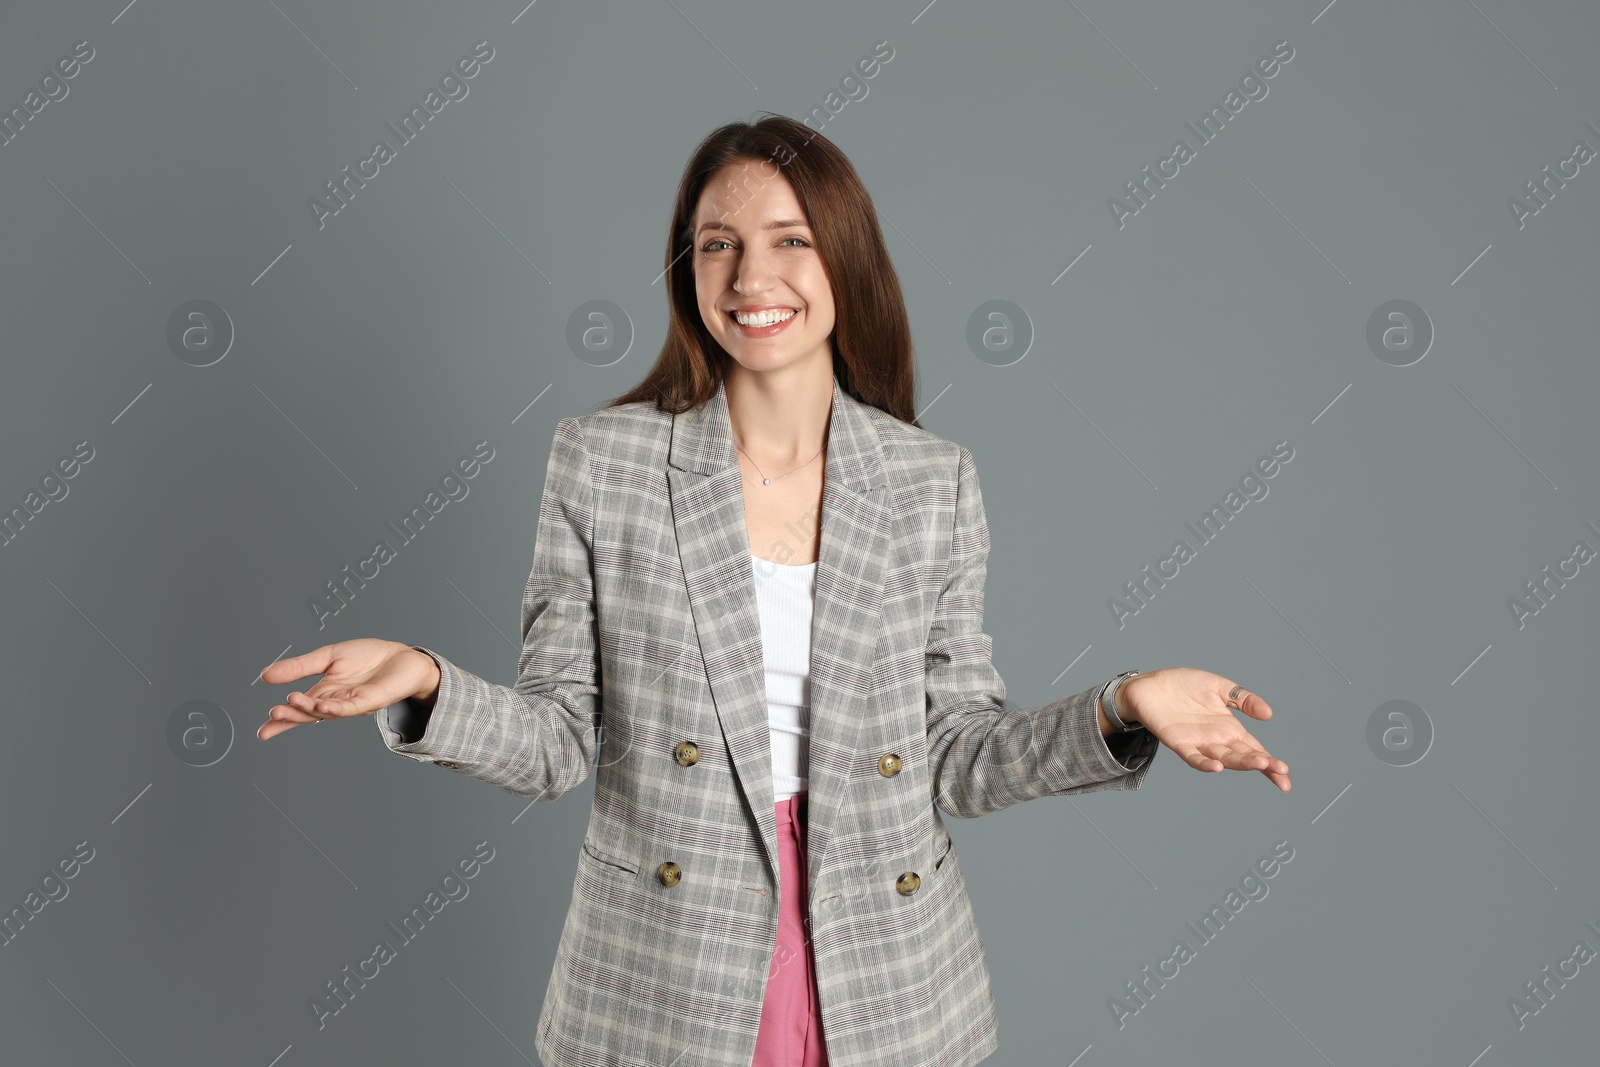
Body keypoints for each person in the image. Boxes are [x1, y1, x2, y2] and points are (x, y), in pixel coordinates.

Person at [258, 113, 1290, 1067]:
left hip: (886, 977)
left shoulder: (933, 483)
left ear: (845, 258)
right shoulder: (603, 463)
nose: (753, 272)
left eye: (790, 238)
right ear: (688, 267)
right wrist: (424, 683)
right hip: (666, 976)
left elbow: (958, 755)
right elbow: (560, 738)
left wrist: (1122, 705)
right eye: (719, 241)